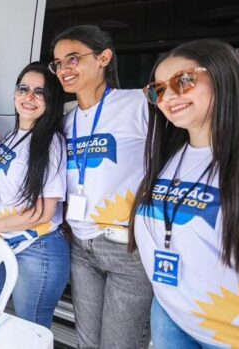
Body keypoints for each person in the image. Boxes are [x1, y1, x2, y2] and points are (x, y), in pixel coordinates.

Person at [130, 39, 239, 348]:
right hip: (171, 314)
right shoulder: (169, 155)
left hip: (231, 334)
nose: (169, 96)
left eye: (184, 81)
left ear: (223, 75)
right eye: (158, 90)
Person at [50, 24, 152, 348]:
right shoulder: (66, 120)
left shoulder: (137, 104)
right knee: (86, 341)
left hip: (126, 248)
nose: (64, 69)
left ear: (104, 57)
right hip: (81, 245)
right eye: (58, 63)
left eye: (73, 59)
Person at [0, 63, 69, 328]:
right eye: (24, 89)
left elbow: (43, 213)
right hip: (4, 241)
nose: (29, 97)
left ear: (51, 100)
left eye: (39, 92)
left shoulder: (50, 142)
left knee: (30, 331)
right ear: (14, 94)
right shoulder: (12, 136)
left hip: (37, 248)